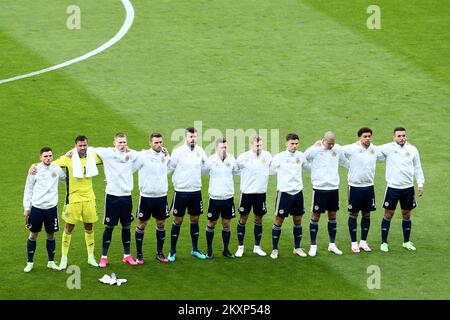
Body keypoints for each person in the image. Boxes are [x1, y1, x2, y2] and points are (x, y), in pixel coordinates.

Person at [31, 136, 102, 269]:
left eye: (84, 145)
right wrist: (34, 166)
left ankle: (91, 257)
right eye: (80, 146)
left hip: (89, 198)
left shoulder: (94, 157)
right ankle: (64, 258)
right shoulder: (68, 158)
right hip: (73, 199)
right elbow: (49, 163)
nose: (82, 148)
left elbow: (109, 158)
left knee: (89, 227)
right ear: (75, 146)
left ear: (88, 145)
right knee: (69, 227)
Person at [93, 133, 139, 267]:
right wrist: (71, 152)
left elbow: (144, 154)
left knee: (127, 225)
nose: (122, 145)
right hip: (112, 196)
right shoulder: (107, 153)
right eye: (119, 142)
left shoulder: (131, 155)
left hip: (126, 196)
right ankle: (103, 257)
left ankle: (127, 255)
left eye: (124, 142)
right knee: (109, 226)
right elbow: (89, 149)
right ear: (114, 143)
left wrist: (164, 152)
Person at [378, 127, 424, 252]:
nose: (402, 138)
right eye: (399, 136)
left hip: (408, 188)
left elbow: (418, 167)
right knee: (388, 214)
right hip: (393, 188)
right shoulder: (388, 148)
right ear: (394, 137)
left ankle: (406, 242)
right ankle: (384, 243)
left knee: (407, 214)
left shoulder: (413, 149)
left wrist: (420, 184)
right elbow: (372, 151)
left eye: (403, 135)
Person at [304, 131, 349, 256]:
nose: (331, 146)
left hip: (334, 188)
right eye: (329, 143)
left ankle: (332, 245)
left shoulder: (337, 149)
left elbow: (344, 161)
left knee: (332, 215)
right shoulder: (315, 150)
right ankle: (313, 246)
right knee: (315, 216)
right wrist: (312, 170)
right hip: (319, 188)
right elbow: (303, 159)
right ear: (324, 140)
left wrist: (355, 168)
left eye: (332, 144)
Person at [167, 127, 208, 262]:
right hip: (181, 192)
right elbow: (170, 168)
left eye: (195, 137)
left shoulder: (200, 151)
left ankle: (195, 249)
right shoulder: (178, 152)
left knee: (195, 220)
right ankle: (172, 251)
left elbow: (205, 167)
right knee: (178, 220)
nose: (193, 139)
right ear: (185, 137)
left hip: (195, 191)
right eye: (191, 137)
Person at [23, 147, 66, 272]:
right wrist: (27, 208)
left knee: (51, 235)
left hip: (51, 209)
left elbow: (67, 179)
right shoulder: (34, 170)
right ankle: (30, 262)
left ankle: (51, 262)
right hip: (37, 208)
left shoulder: (56, 168)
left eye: (50, 156)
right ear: (40, 157)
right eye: (45, 156)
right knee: (33, 235)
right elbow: (28, 188)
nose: (48, 158)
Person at [342, 128, 384, 253]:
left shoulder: (374, 149)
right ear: (360, 137)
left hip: (369, 186)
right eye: (365, 136)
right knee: (354, 214)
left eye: (369, 136)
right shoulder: (352, 148)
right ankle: (354, 243)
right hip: (354, 187)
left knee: (367, 214)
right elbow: (337, 151)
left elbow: (388, 151)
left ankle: (363, 242)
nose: (367, 138)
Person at [269, 133, 310, 259]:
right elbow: (271, 171)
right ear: (286, 144)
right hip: (284, 193)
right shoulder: (279, 157)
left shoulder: (301, 156)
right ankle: (275, 249)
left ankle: (297, 247)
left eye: (296, 143)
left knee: (298, 220)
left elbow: (307, 168)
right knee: (278, 220)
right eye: (292, 144)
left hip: (297, 193)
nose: (294, 146)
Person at [133, 133, 171, 264]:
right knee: (142, 223)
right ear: (150, 143)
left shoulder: (165, 156)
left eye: (160, 142)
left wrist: (167, 155)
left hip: (161, 196)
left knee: (161, 223)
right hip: (147, 197)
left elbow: (169, 168)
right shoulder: (143, 155)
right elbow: (131, 168)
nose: (159, 145)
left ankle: (159, 253)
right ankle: (139, 254)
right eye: (156, 142)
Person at [235, 136, 272, 257]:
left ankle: (257, 247)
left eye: (261, 145)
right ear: (251, 145)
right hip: (246, 193)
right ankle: (240, 247)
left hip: (261, 193)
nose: (259, 148)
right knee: (243, 218)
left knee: (258, 219)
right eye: (257, 145)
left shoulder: (267, 156)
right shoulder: (243, 157)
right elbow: (235, 170)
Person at [204, 138, 239, 259]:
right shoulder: (210, 160)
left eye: (225, 147)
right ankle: (209, 250)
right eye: (222, 147)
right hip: (215, 198)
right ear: (216, 148)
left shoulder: (231, 159)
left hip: (228, 197)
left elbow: (235, 171)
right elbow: (202, 171)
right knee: (212, 223)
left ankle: (226, 249)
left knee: (226, 223)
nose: (224, 149)